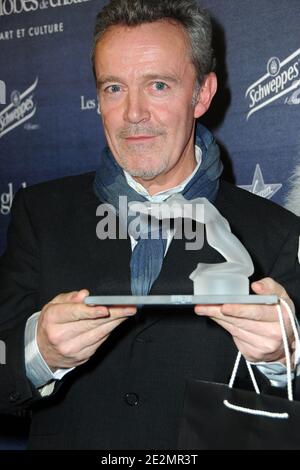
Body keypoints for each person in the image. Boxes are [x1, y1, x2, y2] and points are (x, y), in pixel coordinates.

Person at [0, 0, 299, 450]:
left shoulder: (276, 233)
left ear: (202, 94)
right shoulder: (38, 214)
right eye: (114, 88)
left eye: (158, 85)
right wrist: (38, 353)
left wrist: (285, 357)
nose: (133, 113)